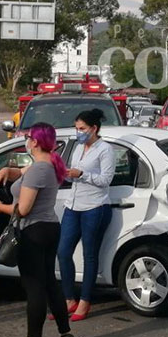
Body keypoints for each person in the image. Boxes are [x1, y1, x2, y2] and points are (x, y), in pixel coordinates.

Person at [0, 124, 74, 337]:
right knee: (49, 281)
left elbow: (23, 210)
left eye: (28, 137)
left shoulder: (39, 169)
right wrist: (6, 171)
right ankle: (65, 332)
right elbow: (20, 173)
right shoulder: (49, 165)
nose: (26, 140)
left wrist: (0, 208)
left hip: (33, 231)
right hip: (49, 228)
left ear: (35, 142)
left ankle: (33, 336)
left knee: (34, 287)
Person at [58, 109, 116, 321]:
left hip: (95, 207)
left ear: (94, 128)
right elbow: (74, 174)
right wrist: (68, 173)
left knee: (89, 256)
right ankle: (68, 299)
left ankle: (85, 301)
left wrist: (82, 174)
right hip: (72, 205)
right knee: (63, 252)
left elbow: (106, 180)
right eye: (76, 128)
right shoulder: (79, 147)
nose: (78, 132)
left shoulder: (105, 149)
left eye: (82, 128)